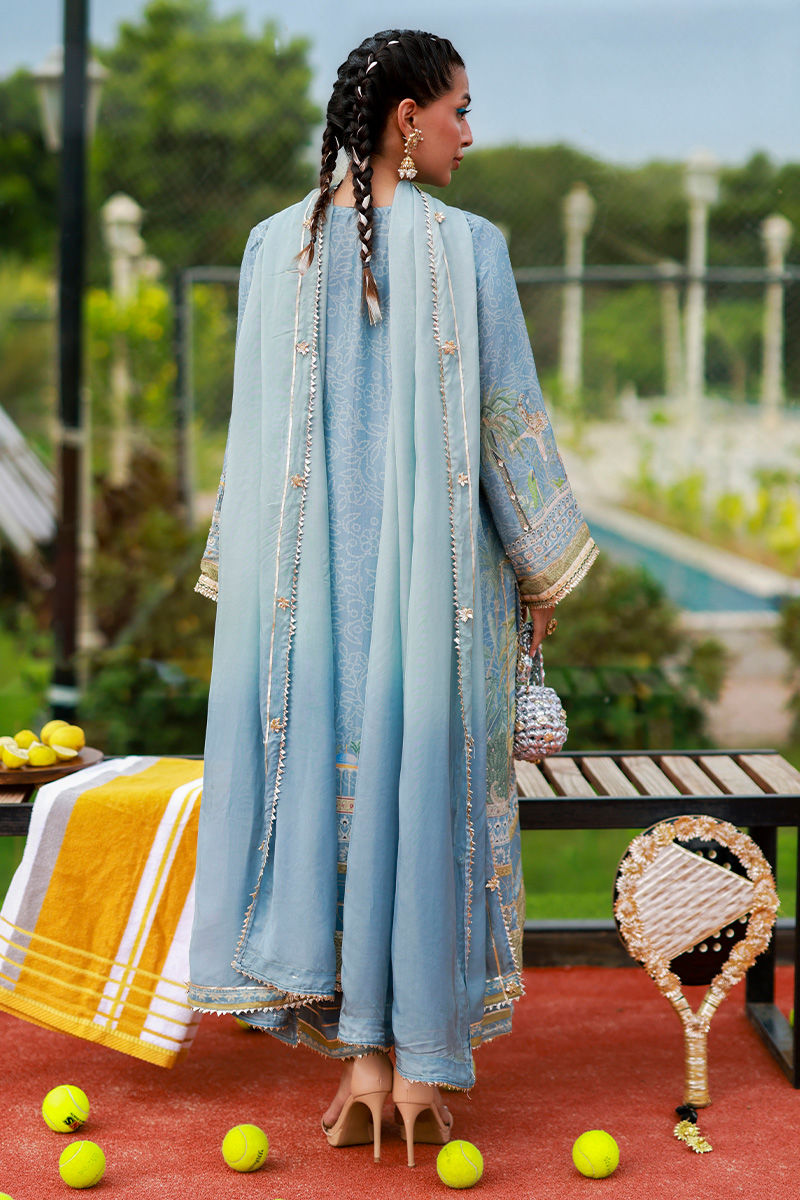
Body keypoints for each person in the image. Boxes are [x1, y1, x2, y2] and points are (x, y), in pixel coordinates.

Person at [188, 29, 597, 1165]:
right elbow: (507, 425)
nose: (472, 132)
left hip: (305, 610)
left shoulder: (272, 247)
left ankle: (363, 1065)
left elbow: (251, 444)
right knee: (419, 804)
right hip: (433, 604)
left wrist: (240, 577)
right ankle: (411, 1058)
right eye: (460, 108)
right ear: (408, 120)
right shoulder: (469, 250)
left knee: (331, 806)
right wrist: (542, 568)